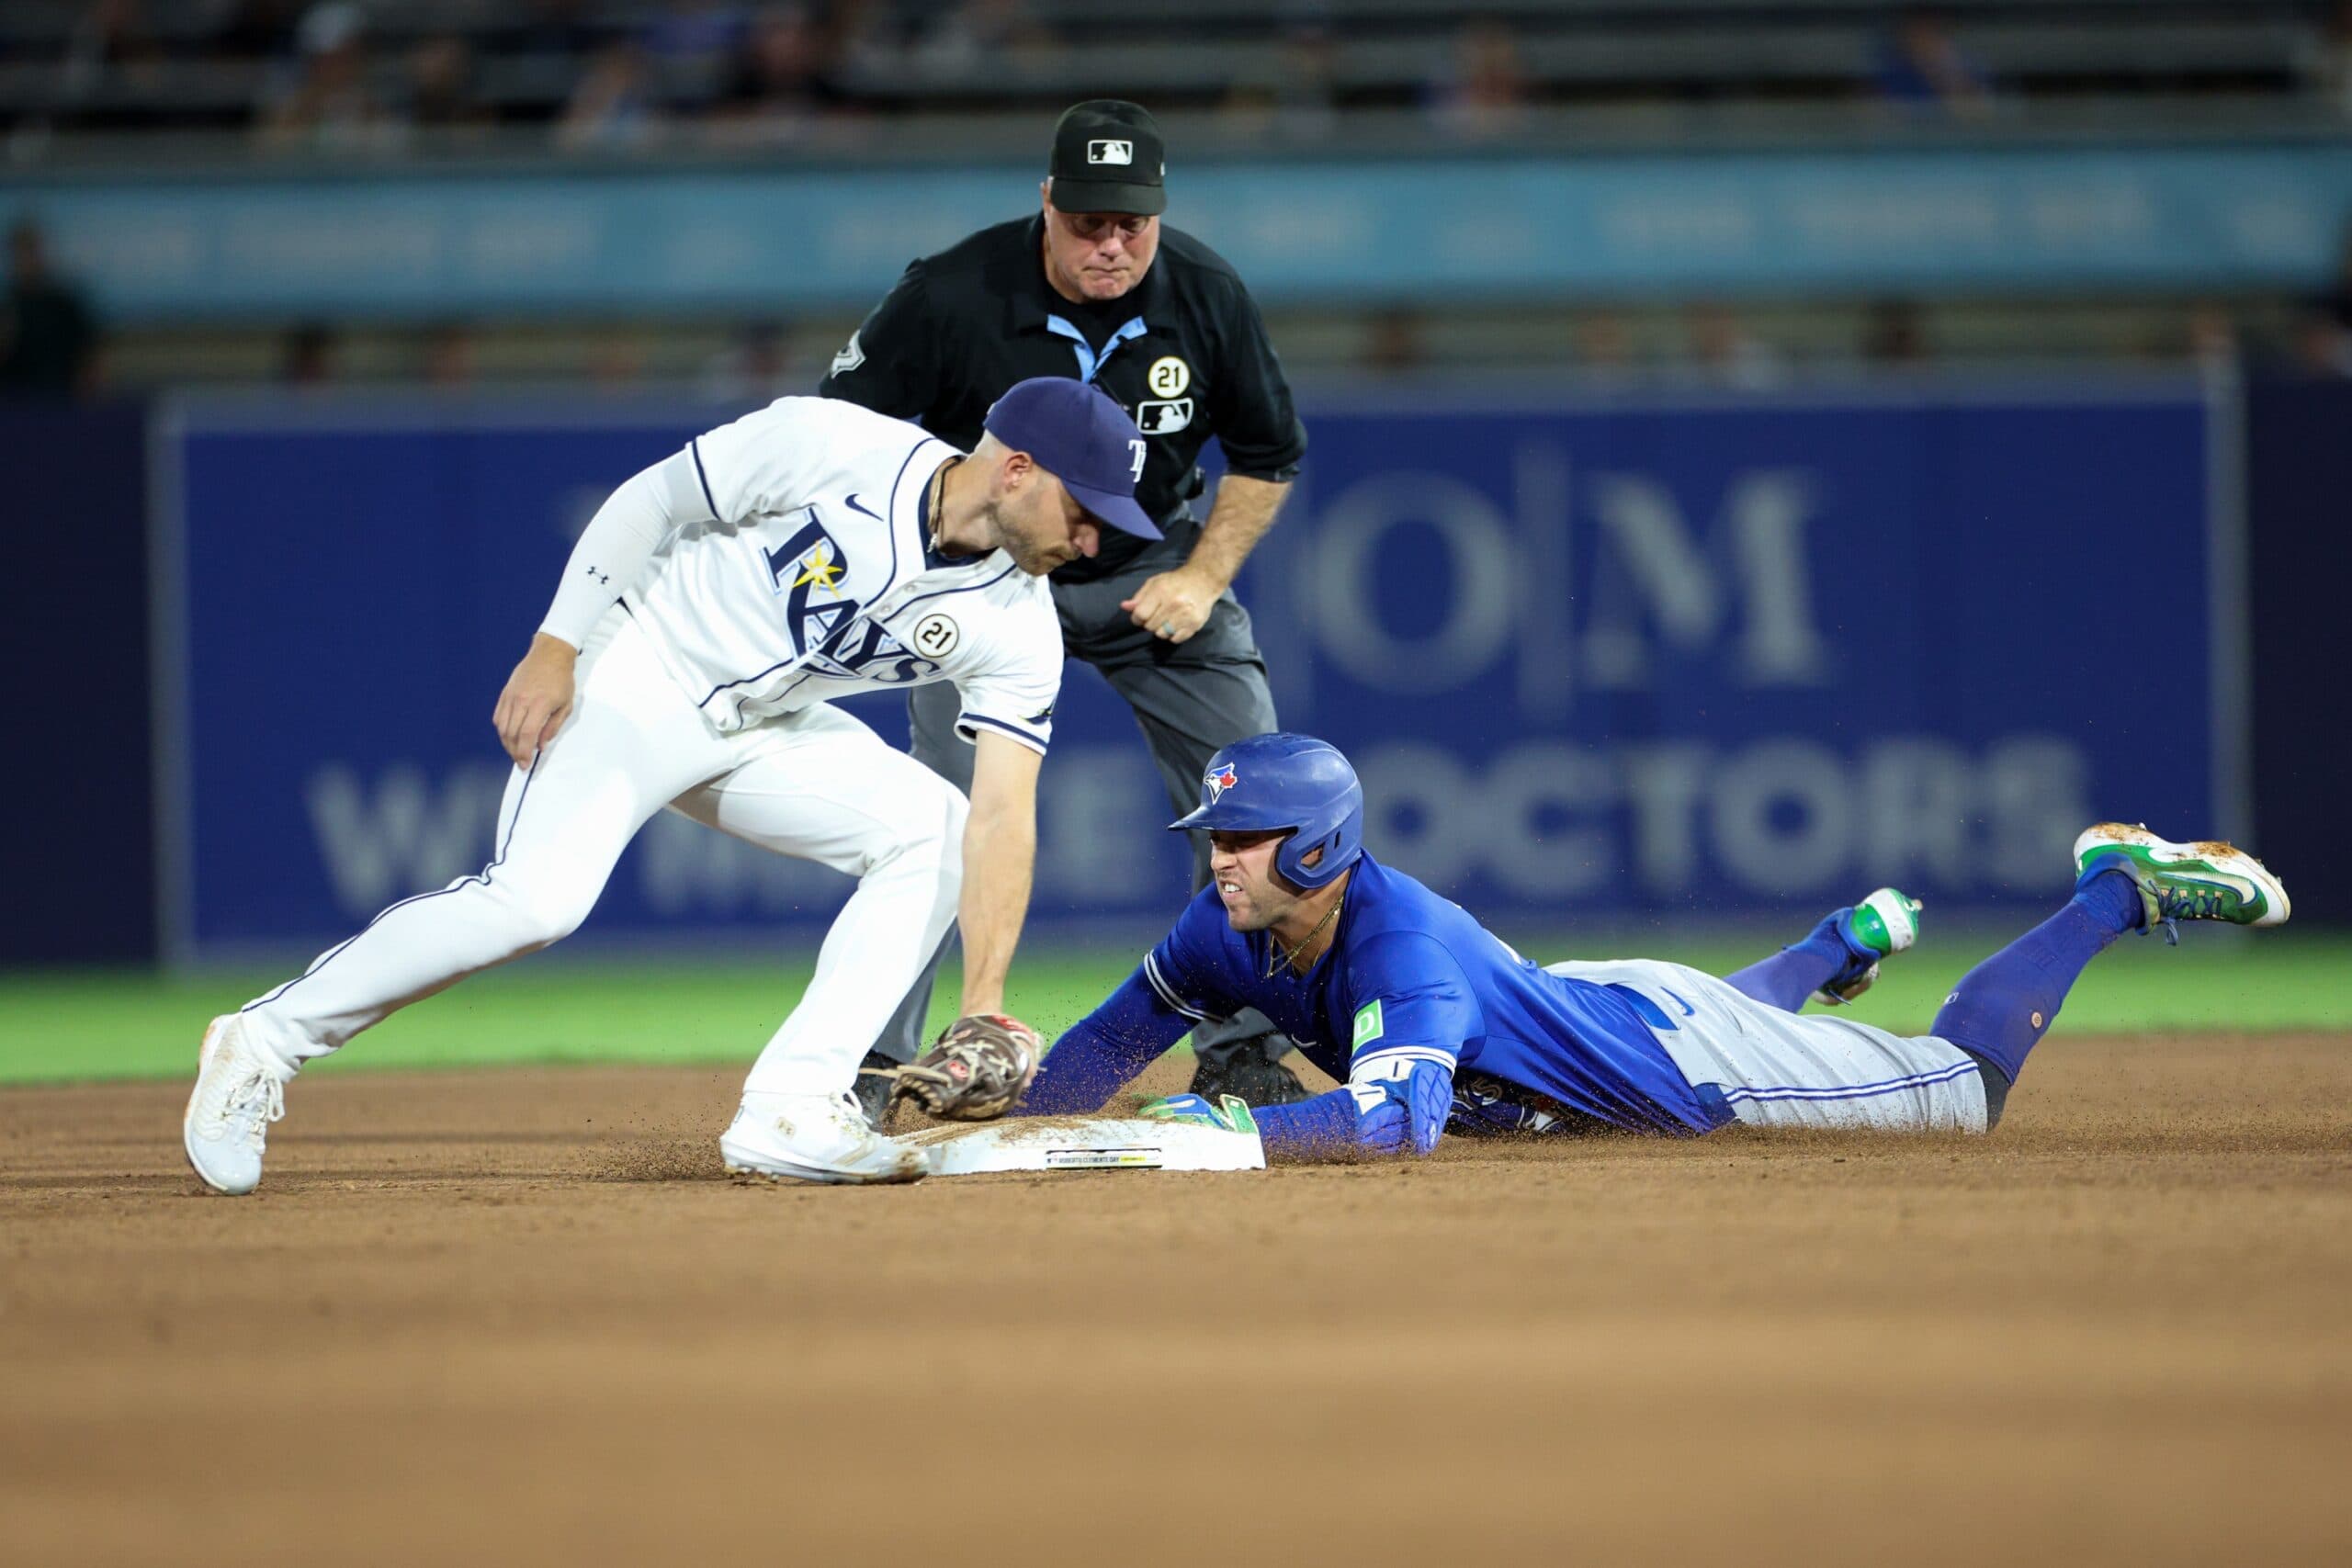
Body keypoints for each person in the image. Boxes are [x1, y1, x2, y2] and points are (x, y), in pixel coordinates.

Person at [182, 378, 1160, 1195]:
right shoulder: (835, 445)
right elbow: (651, 501)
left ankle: (791, 1107)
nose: (1090, 543)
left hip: (761, 724)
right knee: (535, 904)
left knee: (935, 828)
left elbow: (1001, 814)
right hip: (638, 671)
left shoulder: (1021, 625)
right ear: (1017, 470)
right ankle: (262, 1041)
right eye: (1086, 512)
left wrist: (984, 999)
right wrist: (557, 644)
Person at [1016, 734, 2290, 1155]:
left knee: (1965, 1090)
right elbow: (1123, 1032)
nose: (1218, 856)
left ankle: (2114, 890)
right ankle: (1831, 943)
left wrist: (1210, 1133)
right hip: (1589, 1010)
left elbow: (1393, 1123)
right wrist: (1032, 1116)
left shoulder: (1400, 947)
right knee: (1598, 1037)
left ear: (1316, 846)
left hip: (1691, 1062)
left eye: (1245, 835)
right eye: (1216, 834)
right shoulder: (1225, 923)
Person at [820, 98, 1313, 1118]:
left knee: (1258, 799)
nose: (1112, 241)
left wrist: (1203, 579)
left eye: (1132, 220)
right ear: (1047, 204)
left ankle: (1243, 1052)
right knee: (937, 818)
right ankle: (874, 1063)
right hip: (984, 581)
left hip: (1148, 570)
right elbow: (831, 435)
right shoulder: (953, 293)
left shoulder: (1206, 294)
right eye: (1089, 218)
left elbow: (1267, 455)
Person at [0, 220, 101, 400]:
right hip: (16, 405)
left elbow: (88, 356)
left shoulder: (65, 304)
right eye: (21, 252)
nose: (27, 259)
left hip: (62, 400)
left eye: (32, 251)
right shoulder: (8, 307)